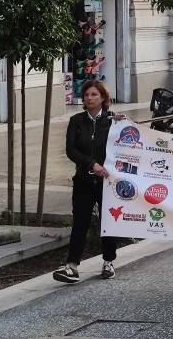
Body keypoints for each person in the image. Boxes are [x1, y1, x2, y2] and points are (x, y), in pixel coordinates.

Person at [53, 80, 122, 284]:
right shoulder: (76, 121)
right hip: (84, 179)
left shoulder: (112, 121)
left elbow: (125, 145)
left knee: (108, 222)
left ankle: (109, 262)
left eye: (94, 95)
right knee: (80, 222)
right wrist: (92, 164)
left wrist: (124, 125)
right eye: (86, 95)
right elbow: (71, 150)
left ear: (103, 98)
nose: (89, 98)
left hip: (106, 182)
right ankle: (72, 266)